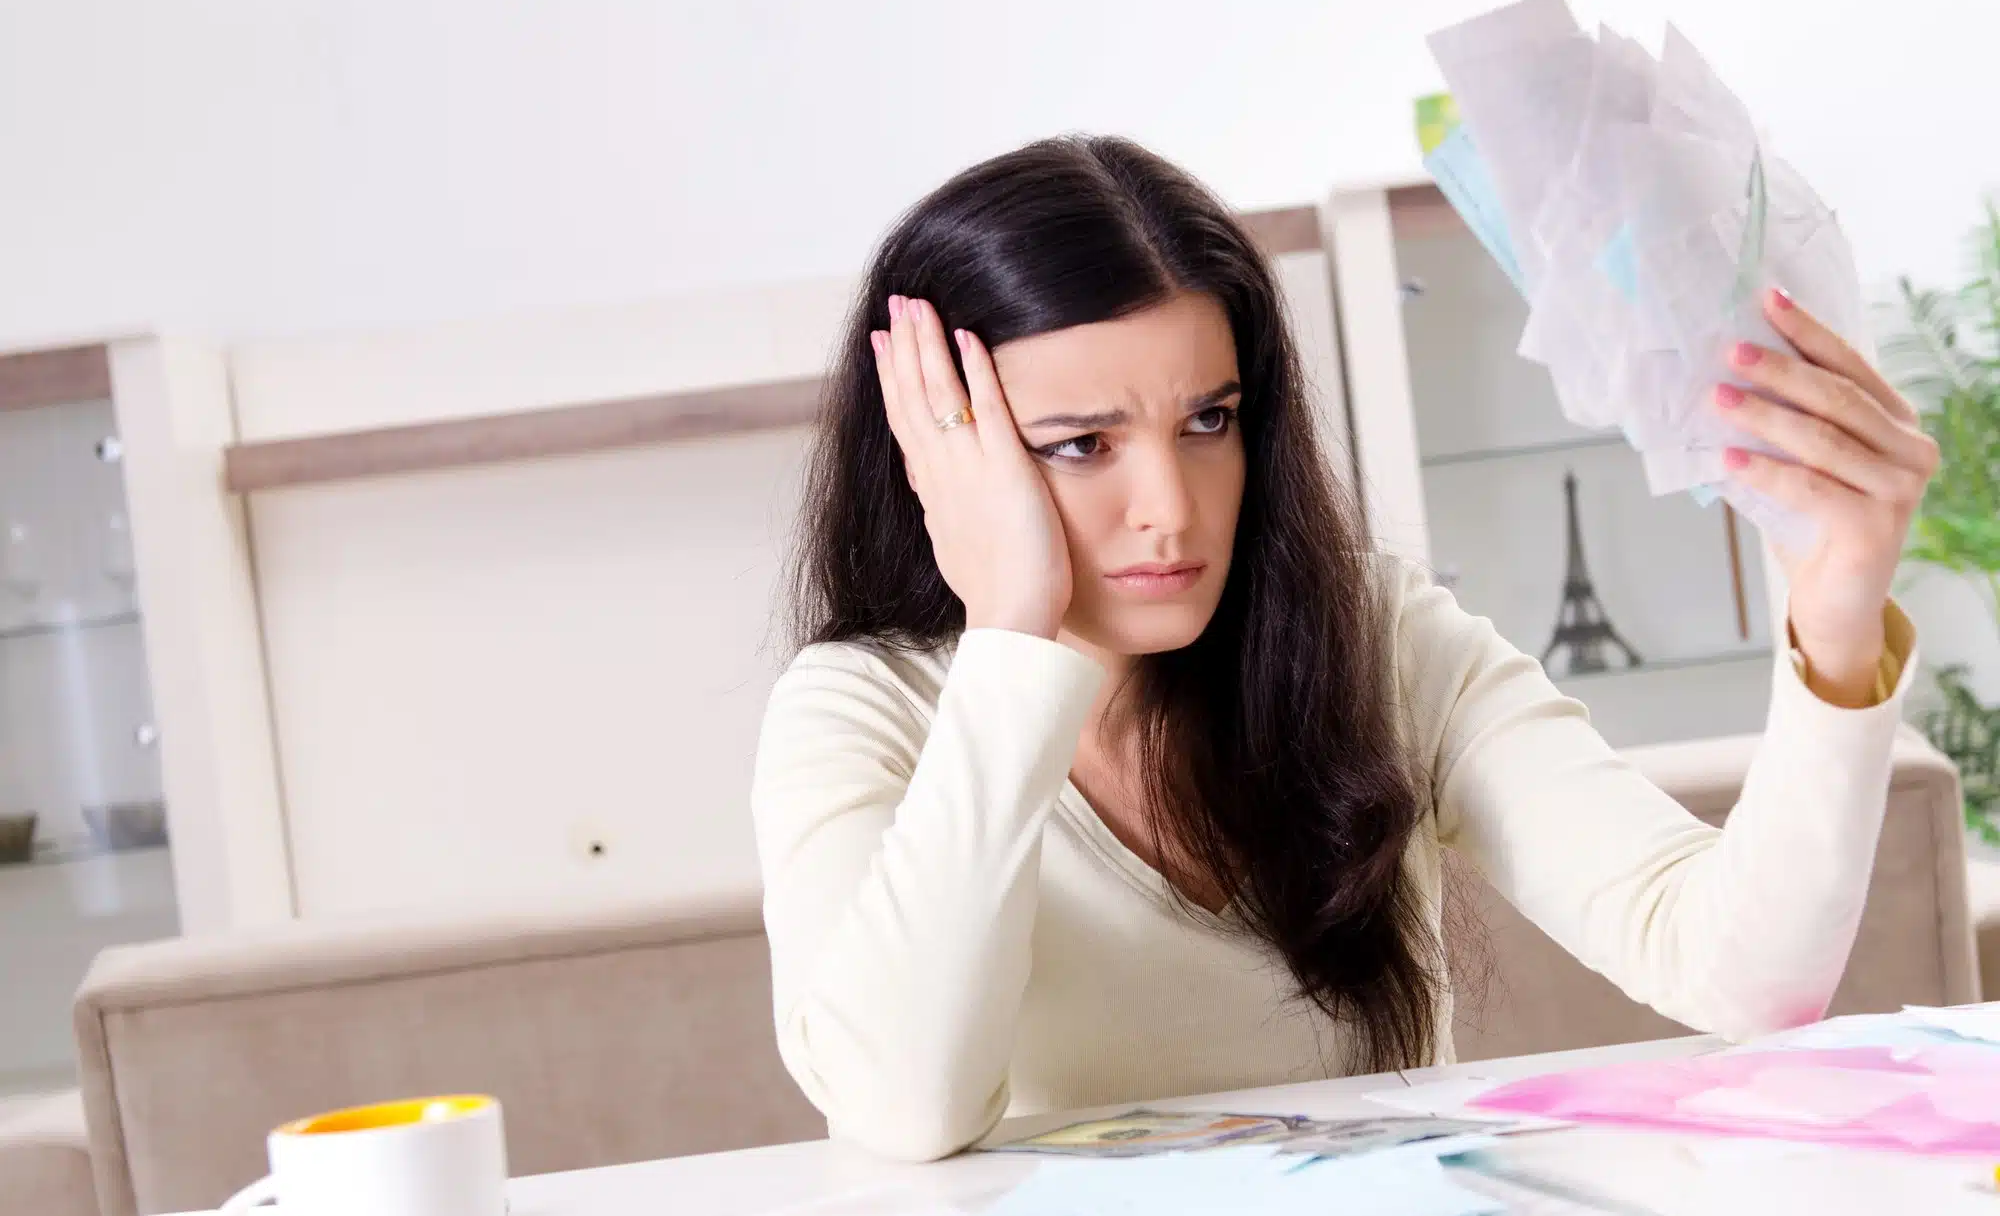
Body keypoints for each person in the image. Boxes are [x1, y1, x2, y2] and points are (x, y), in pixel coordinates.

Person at [751, 135, 1933, 1162]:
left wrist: (1831, 621)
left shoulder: (1371, 637)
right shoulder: (859, 712)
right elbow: (902, 1105)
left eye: (1207, 420)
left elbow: (1742, 971)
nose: (1169, 504)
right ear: (939, 452)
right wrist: (1009, 632)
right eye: (1078, 444)